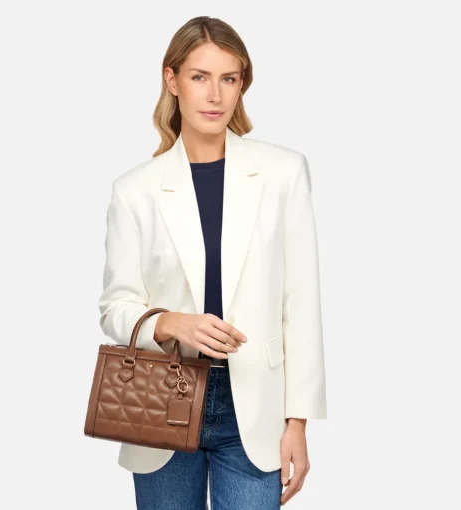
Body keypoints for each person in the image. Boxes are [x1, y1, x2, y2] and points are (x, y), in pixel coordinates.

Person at [98, 15, 327, 509]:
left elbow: (301, 304)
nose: (215, 95)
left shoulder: (283, 173)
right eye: (199, 77)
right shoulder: (135, 190)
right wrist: (170, 323)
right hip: (161, 396)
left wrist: (298, 422)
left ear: (242, 84)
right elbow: (115, 307)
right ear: (172, 79)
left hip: (256, 403)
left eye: (229, 78)